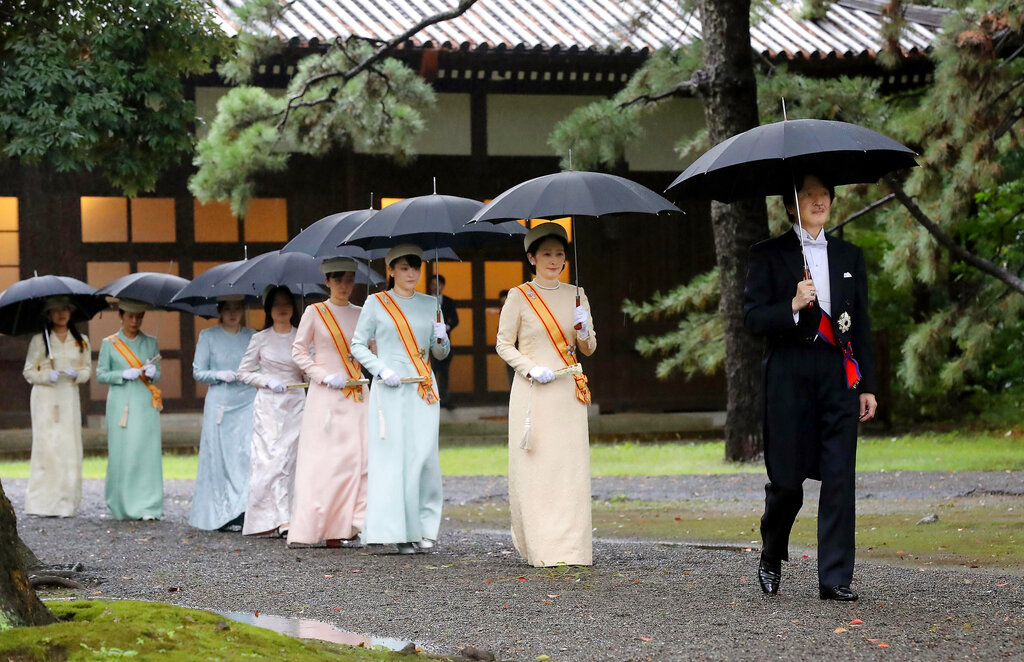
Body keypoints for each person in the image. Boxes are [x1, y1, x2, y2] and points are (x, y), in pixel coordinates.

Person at [743, 173, 878, 601]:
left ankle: (835, 577)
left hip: (838, 376)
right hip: (787, 374)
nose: (819, 201)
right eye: (808, 195)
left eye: (824, 194)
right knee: (786, 480)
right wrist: (792, 306)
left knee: (840, 476)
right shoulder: (766, 255)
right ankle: (771, 552)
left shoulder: (849, 255)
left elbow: (863, 325)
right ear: (790, 205)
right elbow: (751, 320)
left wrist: (867, 385)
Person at [495, 223, 597, 567]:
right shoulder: (519, 296)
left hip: (568, 391)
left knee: (569, 469)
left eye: (559, 254)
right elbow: (503, 343)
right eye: (546, 254)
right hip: (535, 391)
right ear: (531, 258)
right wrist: (528, 367)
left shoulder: (577, 294)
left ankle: (573, 549)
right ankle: (542, 547)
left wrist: (583, 330)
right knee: (539, 468)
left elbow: (589, 348)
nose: (554, 260)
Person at [351, 245, 450, 554]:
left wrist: (442, 337)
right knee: (393, 458)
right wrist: (381, 369)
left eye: (416, 268)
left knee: (424, 457)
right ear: (390, 270)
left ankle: (424, 527)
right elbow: (357, 344)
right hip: (390, 389)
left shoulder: (431, 303)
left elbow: (439, 353)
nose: (412, 274)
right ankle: (398, 531)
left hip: (423, 387)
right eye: (404, 268)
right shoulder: (376, 302)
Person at [289, 260, 368, 547]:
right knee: (326, 461)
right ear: (327, 281)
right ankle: (321, 525)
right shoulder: (315, 312)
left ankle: (351, 524)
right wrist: (322, 376)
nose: (344, 286)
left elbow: (374, 349)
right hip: (326, 395)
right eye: (338, 280)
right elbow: (298, 352)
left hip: (357, 393)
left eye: (349, 279)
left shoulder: (362, 313)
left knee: (358, 458)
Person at [238, 286, 306, 537]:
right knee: (273, 459)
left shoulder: (301, 336)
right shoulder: (260, 338)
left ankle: (293, 515)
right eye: (277, 303)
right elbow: (243, 373)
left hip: (296, 402)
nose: (282, 308)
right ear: (269, 309)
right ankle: (277, 518)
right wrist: (266, 380)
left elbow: (309, 365)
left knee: (293, 459)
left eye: (287, 302)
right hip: (269, 405)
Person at [189, 296, 256, 532]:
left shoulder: (252, 336)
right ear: (219, 311)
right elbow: (198, 371)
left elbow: (261, 364)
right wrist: (219, 374)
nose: (232, 313)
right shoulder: (208, 336)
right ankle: (220, 512)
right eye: (227, 309)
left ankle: (243, 509)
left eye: (237, 308)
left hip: (247, 400)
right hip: (220, 403)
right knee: (219, 456)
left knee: (245, 455)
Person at [21, 296, 92, 517]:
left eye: (65, 310)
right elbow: (29, 371)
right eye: (56, 310)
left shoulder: (82, 341)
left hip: (68, 396)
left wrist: (75, 375)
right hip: (45, 398)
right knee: (47, 446)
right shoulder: (40, 341)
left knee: (69, 446)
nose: (61, 314)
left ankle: (65, 502)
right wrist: (46, 375)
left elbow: (86, 370)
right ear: (49, 315)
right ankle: (42, 502)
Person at [95, 299, 163, 521]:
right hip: (121, 403)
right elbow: (101, 374)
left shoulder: (150, 342)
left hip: (145, 401)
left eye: (139, 316)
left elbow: (158, 372)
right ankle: (121, 503)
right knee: (123, 451)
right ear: (121, 316)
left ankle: (148, 505)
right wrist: (122, 375)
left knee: (146, 452)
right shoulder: (110, 343)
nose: (135, 321)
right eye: (130, 316)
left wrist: (152, 371)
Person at [426, 274, 459, 409]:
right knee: (431, 371)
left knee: (444, 373)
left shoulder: (449, 301)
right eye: (433, 283)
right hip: (429, 341)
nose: (436, 286)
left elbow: (455, 319)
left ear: (443, 286)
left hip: (444, 340)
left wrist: (447, 327)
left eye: (438, 284)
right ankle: (430, 397)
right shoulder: (425, 300)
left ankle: (445, 399)